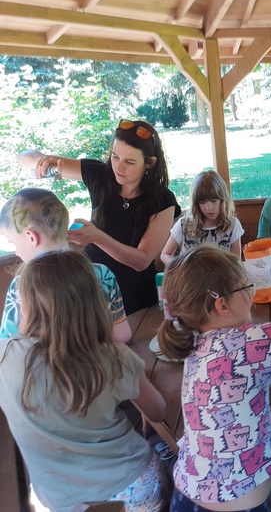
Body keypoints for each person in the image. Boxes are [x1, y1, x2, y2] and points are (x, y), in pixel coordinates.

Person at [158, 246, 271, 512]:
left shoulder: (191, 341)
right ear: (222, 305)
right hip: (241, 503)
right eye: (246, 287)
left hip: (186, 496)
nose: (252, 293)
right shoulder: (252, 340)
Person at [0, 250, 170, 512]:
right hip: (134, 487)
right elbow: (157, 412)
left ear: (25, 305)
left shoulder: (5, 356)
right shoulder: (116, 357)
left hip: (61, 499)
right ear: (95, 301)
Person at [18, 119, 181, 315]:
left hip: (136, 295)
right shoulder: (98, 175)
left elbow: (141, 261)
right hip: (93, 285)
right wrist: (43, 164)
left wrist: (96, 236)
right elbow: (26, 157)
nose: (119, 167)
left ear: (149, 163)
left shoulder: (162, 200)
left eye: (129, 162)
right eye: (115, 156)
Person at [0, 188, 131, 343]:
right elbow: (122, 335)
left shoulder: (21, 286)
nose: (16, 252)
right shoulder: (103, 274)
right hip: (98, 358)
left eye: (14, 243)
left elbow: (7, 345)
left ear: (32, 237)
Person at [161, 170, 243, 266]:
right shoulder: (183, 224)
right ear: (196, 204)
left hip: (221, 275)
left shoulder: (232, 224)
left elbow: (236, 262)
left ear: (223, 200)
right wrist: (180, 267)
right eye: (202, 202)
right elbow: (165, 254)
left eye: (213, 201)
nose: (208, 208)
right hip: (190, 275)